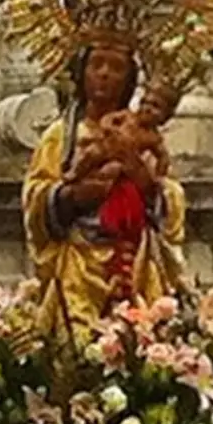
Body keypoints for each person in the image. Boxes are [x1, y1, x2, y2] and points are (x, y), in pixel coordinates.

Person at [22, 37, 188, 362]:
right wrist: (74, 196)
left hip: (133, 259)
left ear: (129, 79)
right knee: (73, 355)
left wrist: (139, 174)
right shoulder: (60, 136)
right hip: (76, 262)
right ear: (81, 73)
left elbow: (169, 197)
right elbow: (35, 196)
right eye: (96, 65)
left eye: (116, 68)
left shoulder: (142, 134)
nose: (104, 75)